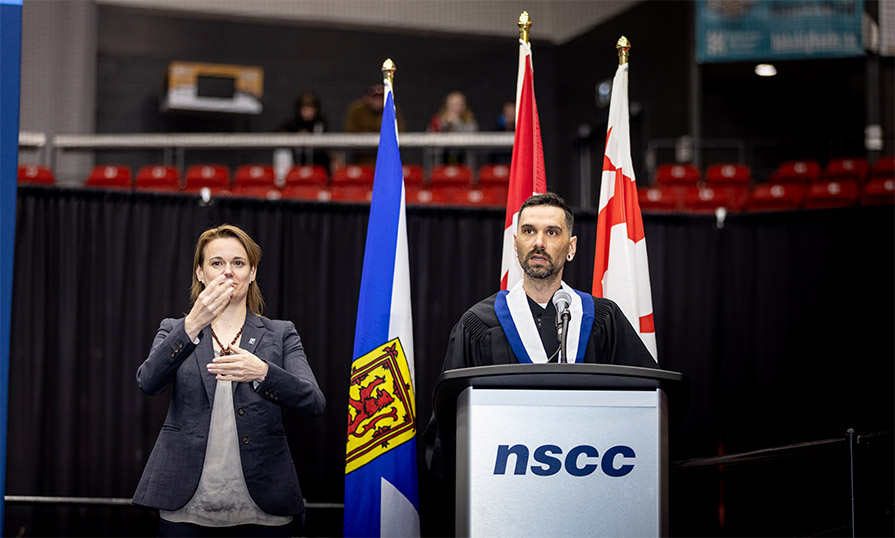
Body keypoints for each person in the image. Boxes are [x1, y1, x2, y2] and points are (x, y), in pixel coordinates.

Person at [423, 192, 657, 478]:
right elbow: (448, 428)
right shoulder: (477, 325)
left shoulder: (602, 319)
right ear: (516, 243)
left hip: (593, 479)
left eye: (552, 232)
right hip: (503, 487)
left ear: (571, 247)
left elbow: (645, 406)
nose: (539, 243)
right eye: (529, 231)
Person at [133, 224, 326, 537]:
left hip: (263, 511)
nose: (228, 272)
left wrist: (263, 372)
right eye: (216, 263)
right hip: (186, 509)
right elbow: (148, 381)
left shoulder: (280, 333)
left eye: (238, 263)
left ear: (252, 273)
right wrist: (193, 323)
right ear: (200, 273)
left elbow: (314, 401)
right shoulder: (174, 328)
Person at [277, 90, 330, 169]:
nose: (308, 112)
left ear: (316, 109)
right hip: (295, 164)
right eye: (305, 108)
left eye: (310, 108)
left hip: (317, 163)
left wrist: (310, 136)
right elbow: (277, 132)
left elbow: (327, 143)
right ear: (299, 109)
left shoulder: (320, 122)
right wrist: (294, 136)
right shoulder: (293, 122)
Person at [428, 91, 478, 165]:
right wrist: (443, 125)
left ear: (464, 106)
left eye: (458, 104)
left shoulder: (470, 122)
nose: (455, 108)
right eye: (453, 104)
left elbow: (472, 140)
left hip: (463, 160)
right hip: (442, 160)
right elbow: (429, 141)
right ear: (446, 105)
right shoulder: (439, 121)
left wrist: (457, 123)